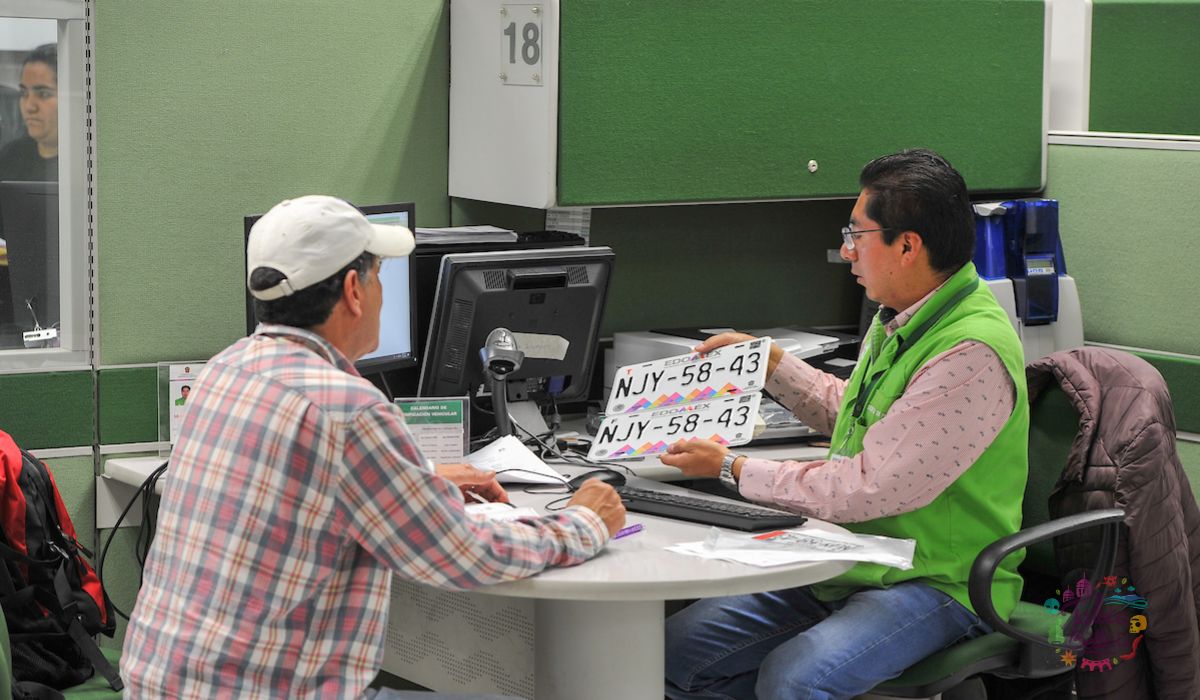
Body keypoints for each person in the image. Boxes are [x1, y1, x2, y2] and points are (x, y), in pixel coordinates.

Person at [121, 195, 626, 699]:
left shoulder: (226, 370)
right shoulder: (349, 409)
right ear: (353, 291)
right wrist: (584, 522)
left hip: (162, 684)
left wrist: (418, 477)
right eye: (379, 275)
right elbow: (459, 556)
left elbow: (302, 474)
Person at [661, 149, 1029, 700]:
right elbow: (860, 418)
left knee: (795, 680)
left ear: (907, 246)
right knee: (676, 653)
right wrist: (772, 364)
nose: (845, 249)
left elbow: (872, 485)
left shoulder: (969, 350)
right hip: (854, 558)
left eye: (858, 233)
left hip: (936, 579)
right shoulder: (905, 315)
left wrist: (734, 469)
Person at [0, 43, 58, 182]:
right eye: (24, 93)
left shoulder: (85, 160)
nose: (29, 106)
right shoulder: (11, 156)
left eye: (43, 94)